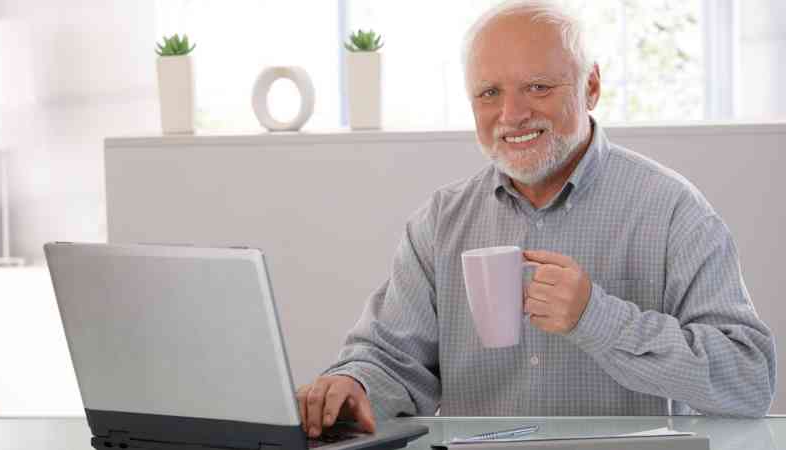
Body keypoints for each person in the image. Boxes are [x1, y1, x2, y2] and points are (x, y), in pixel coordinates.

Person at [296, 0, 777, 438]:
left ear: (591, 86)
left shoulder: (673, 211)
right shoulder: (440, 222)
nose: (512, 114)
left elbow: (749, 381)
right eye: (489, 93)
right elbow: (391, 361)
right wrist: (351, 383)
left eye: (538, 87)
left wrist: (597, 317)